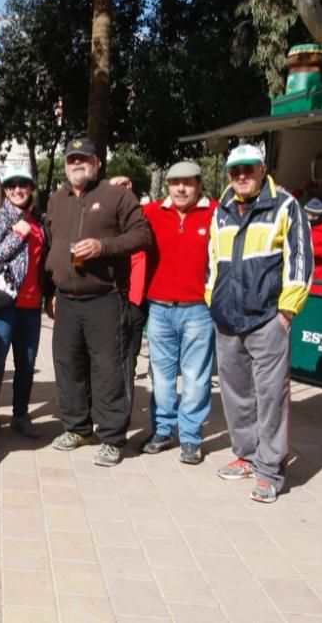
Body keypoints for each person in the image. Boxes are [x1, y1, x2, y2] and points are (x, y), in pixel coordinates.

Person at [207, 144, 313, 503]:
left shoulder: (285, 205)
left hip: (268, 319)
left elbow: (300, 261)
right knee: (236, 395)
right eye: (234, 171)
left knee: (270, 398)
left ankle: (270, 470)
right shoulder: (220, 211)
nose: (241, 176)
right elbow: (212, 261)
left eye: (248, 169)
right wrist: (213, 301)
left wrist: (286, 314)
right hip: (227, 321)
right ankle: (246, 455)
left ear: (262, 169)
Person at [45, 136, 151, 467]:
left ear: (97, 163)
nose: (77, 164)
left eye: (84, 159)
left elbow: (142, 235)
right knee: (67, 364)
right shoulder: (56, 199)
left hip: (105, 298)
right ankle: (77, 428)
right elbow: (52, 242)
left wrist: (104, 246)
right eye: (72, 159)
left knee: (108, 369)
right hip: (66, 298)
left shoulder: (116, 196)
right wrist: (54, 286)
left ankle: (112, 437)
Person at [139, 161, 218, 465]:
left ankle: (190, 438)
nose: (181, 188)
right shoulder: (152, 212)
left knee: (197, 379)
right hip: (159, 308)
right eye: (175, 183)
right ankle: (162, 431)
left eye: (188, 182)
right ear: (168, 186)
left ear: (199, 184)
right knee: (161, 377)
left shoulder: (215, 213)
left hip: (199, 309)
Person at [0, 166, 47, 450]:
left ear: (31, 188)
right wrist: (17, 236)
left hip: (32, 304)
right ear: (5, 189)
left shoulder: (39, 220)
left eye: (24, 185)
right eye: (12, 185)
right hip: (3, 302)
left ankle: (20, 415)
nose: (18, 189)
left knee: (26, 365)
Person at [109, 176, 148, 421]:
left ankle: (122, 417)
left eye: (127, 185)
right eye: (116, 187)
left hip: (135, 303)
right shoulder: (102, 222)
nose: (123, 190)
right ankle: (103, 414)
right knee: (105, 362)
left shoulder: (143, 219)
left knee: (128, 363)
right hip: (108, 302)